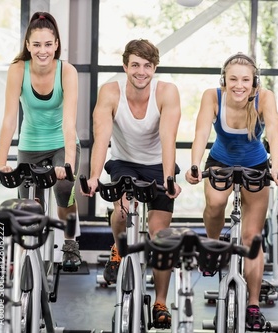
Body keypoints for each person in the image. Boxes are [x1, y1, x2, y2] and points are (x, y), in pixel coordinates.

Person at [81, 39, 181, 328]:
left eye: (147, 66)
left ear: (154, 68)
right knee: (123, 213)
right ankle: (118, 246)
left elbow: (168, 139)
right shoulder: (111, 92)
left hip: (158, 164)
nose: (140, 71)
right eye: (135, 65)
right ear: (125, 66)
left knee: (160, 235)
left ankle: (160, 302)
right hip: (124, 162)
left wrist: (170, 179)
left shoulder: (166, 92)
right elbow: (101, 138)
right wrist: (93, 176)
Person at [185, 52, 278, 330]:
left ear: (254, 81)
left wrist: (277, 168)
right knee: (216, 204)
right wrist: (194, 164)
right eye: (233, 79)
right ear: (224, 80)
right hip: (221, 161)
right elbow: (201, 133)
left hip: (256, 164)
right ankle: (213, 246)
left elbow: (275, 134)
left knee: (253, 237)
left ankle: (253, 305)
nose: (239, 85)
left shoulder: (264, 98)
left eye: (245, 80)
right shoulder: (212, 96)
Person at [0, 11, 82, 271]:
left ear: (56, 44)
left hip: (61, 142)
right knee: (27, 208)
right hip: (30, 144)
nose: (42, 51)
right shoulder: (18, 70)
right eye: (36, 45)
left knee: (64, 191)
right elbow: (10, 119)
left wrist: (67, 163)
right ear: (27, 45)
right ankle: (26, 260)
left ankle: (70, 244)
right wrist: (1, 162)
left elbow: (69, 123)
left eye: (48, 44)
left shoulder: (66, 71)